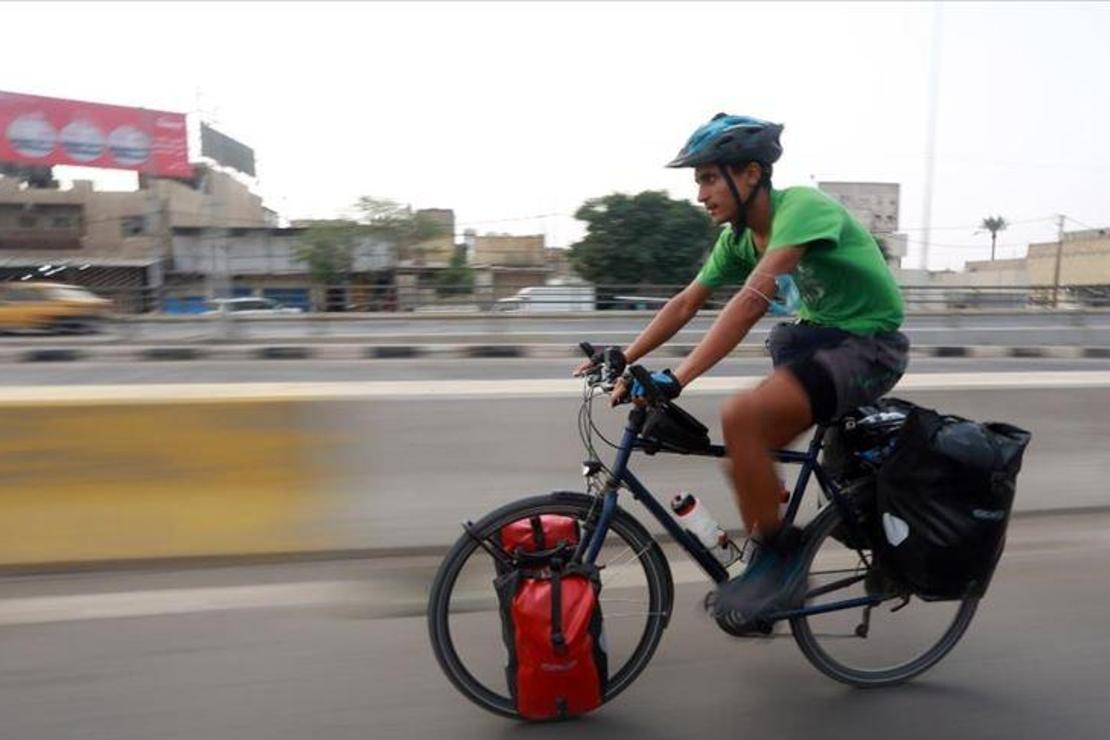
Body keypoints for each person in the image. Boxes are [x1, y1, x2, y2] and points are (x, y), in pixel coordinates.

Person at [575, 113, 908, 630]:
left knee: (743, 419)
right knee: (749, 424)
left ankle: (782, 563)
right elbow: (688, 302)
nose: (701, 193)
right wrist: (627, 356)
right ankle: (768, 500)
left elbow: (755, 297)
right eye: (699, 181)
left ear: (750, 174)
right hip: (815, 338)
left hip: (869, 345)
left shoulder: (801, 208)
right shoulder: (738, 239)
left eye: (709, 178)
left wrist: (678, 378)